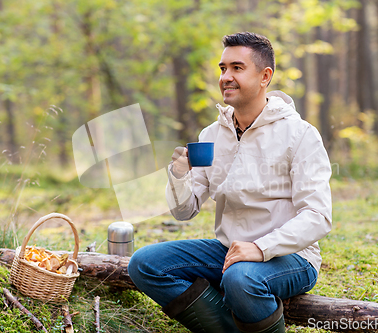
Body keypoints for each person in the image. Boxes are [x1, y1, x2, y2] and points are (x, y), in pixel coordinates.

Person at [128, 32, 332, 333]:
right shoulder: (212, 135)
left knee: (240, 278)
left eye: (237, 68)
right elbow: (184, 211)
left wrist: (261, 248)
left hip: (291, 256)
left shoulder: (300, 134)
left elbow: (318, 217)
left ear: (265, 76)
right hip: (230, 251)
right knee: (144, 264)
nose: (226, 77)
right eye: (223, 68)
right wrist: (179, 175)